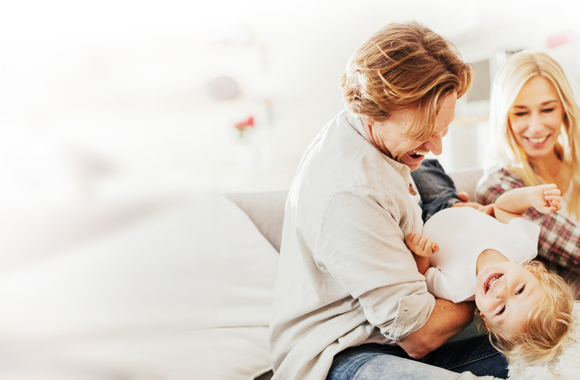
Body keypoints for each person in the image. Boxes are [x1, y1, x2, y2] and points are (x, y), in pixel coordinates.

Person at [269, 21, 508, 380]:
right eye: (422, 135)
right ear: (371, 111)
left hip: (389, 340)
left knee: (558, 343)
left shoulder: (377, 138)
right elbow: (420, 335)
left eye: (442, 131)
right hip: (339, 356)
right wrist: (496, 293)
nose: (436, 148)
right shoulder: (351, 193)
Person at [406, 184, 575, 368]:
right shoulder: (523, 244)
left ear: (486, 320)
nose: (501, 292)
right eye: (520, 290)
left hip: (418, 220)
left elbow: (423, 274)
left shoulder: (455, 289)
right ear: (534, 271)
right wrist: (529, 195)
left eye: (501, 310)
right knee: (429, 173)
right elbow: (502, 207)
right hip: (448, 200)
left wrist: (420, 252)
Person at [475, 51, 580, 284]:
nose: (535, 127)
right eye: (521, 113)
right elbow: (575, 249)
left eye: (547, 109)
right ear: (505, 118)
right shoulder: (499, 187)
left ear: (564, 109)